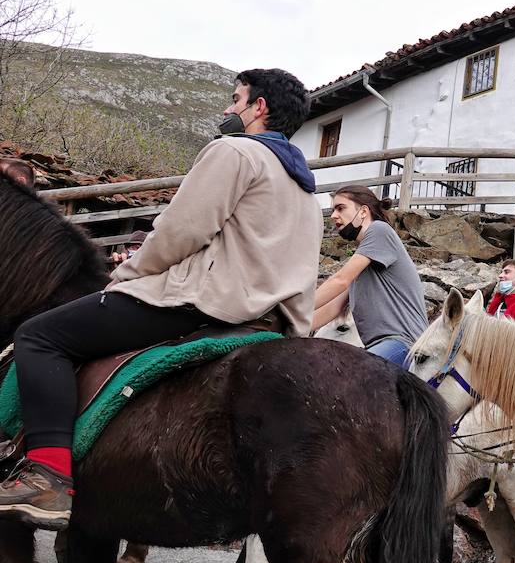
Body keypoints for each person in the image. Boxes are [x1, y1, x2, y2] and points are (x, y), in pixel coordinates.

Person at [1, 68, 321, 528]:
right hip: (271, 319)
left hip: (205, 303)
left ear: (259, 107)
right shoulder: (305, 187)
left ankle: (48, 476)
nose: (228, 108)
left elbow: (181, 230)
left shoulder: (234, 151)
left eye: (236, 99)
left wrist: (127, 275)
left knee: (39, 336)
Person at [311, 185, 426, 367]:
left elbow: (340, 280)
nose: (333, 215)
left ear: (363, 212)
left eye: (340, 208)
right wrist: (291, 325)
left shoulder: (379, 230)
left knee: (345, 378)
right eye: (333, 210)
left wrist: (297, 308)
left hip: (404, 344)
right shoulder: (365, 259)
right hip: (382, 347)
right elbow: (334, 308)